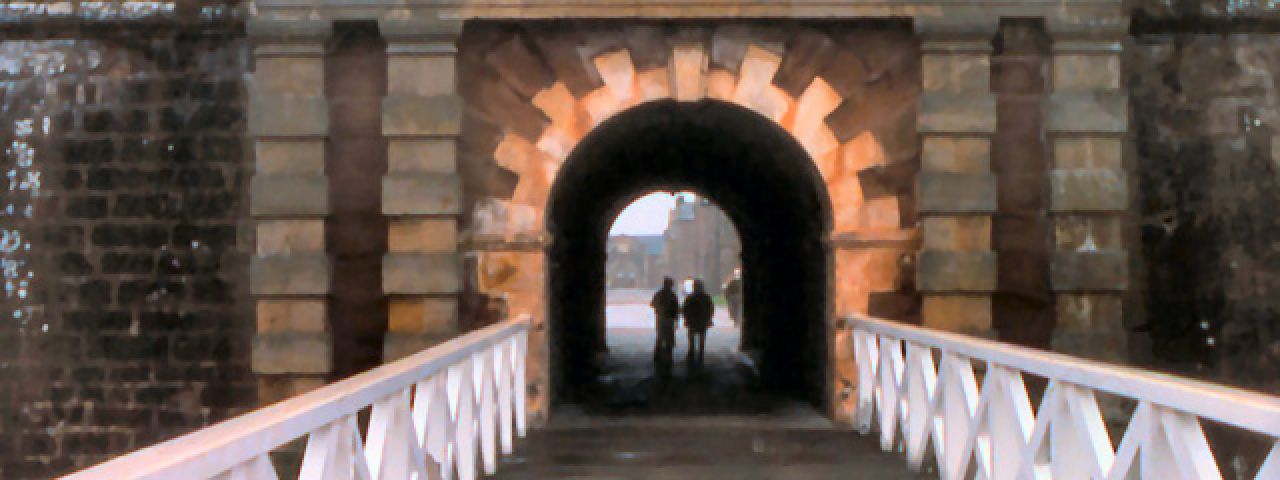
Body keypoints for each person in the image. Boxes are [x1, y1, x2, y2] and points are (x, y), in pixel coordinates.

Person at [681, 279, 714, 364]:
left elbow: (684, 309)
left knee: (691, 336)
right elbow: (711, 309)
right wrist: (709, 318)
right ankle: (700, 353)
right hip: (702, 320)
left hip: (692, 320)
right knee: (702, 336)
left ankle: (691, 351)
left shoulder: (690, 297)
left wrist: (686, 319)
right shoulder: (706, 297)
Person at [650, 277, 679, 364]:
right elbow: (676, 308)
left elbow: (653, 304)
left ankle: (658, 356)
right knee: (669, 337)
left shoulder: (659, 294)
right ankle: (668, 357)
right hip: (668, 318)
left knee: (661, 336)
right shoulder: (672, 295)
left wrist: (659, 309)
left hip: (662, 318)